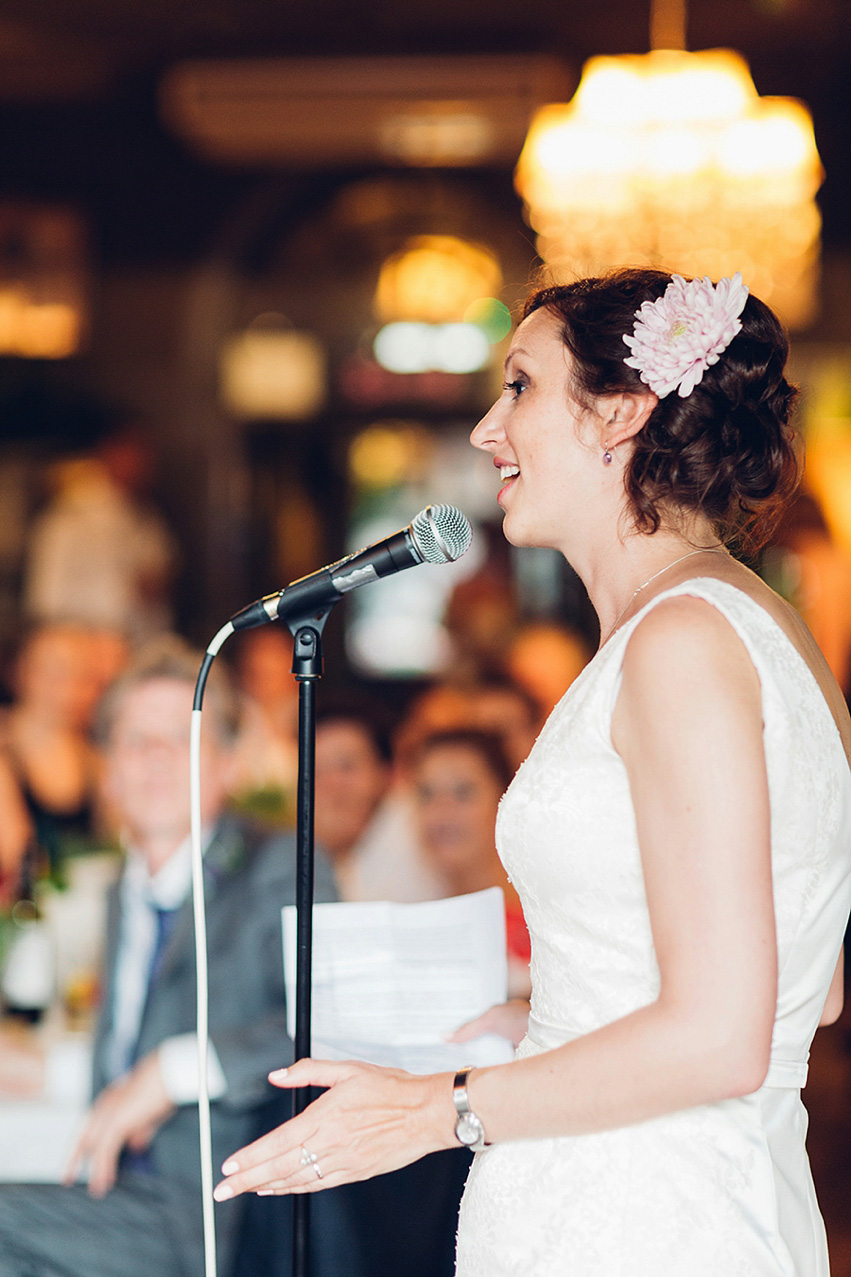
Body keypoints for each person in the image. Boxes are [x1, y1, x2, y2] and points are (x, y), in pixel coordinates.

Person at [211, 269, 851, 1277]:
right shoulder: (761, 629)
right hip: (682, 1185)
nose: (483, 428)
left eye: (518, 385)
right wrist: (544, 1013)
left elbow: (725, 1033)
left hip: (643, 1215)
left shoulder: (678, 642)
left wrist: (436, 1107)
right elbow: (807, 994)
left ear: (619, 412)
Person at [0, 636, 338, 1277]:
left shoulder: (278, 867)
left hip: (225, 1213)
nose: (156, 759)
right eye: (133, 739)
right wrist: (39, 1069)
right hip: (114, 1196)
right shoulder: (122, 894)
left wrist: (173, 1071)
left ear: (230, 763)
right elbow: (119, 1066)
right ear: (105, 768)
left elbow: (329, 1021)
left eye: (181, 738)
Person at [411, 728, 531, 997]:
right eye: (427, 794)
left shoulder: (543, 925)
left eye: (462, 793)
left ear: (506, 801)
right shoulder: (418, 924)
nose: (441, 813)